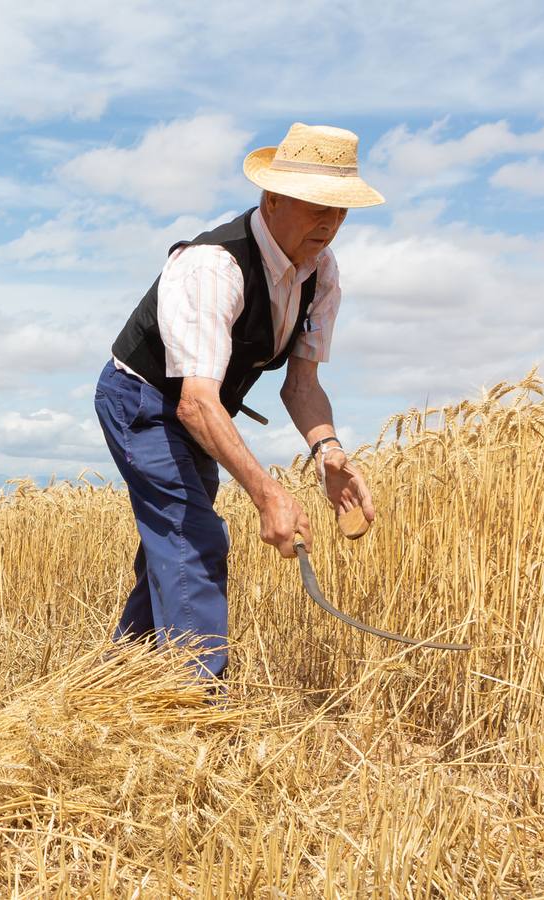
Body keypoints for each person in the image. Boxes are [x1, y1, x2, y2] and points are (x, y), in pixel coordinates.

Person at [96, 123, 382, 678]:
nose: (331, 223)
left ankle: (119, 679)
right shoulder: (214, 265)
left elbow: (301, 384)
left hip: (202, 408)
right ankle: (197, 703)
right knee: (193, 536)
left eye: (342, 210)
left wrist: (328, 453)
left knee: (176, 539)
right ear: (272, 198)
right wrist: (268, 494)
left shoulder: (320, 275)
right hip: (143, 400)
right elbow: (194, 403)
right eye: (317, 205)